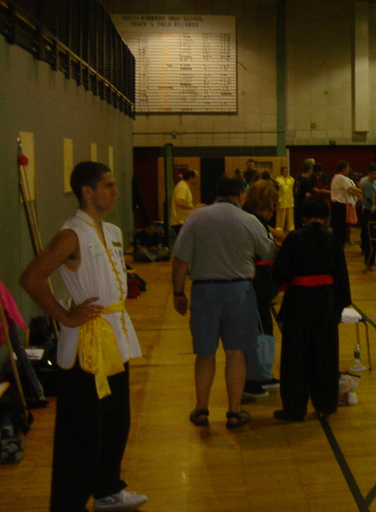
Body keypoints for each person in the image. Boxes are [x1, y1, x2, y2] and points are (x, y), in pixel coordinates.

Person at [20, 161, 147, 512]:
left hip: (116, 337)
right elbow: (31, 278)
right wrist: (65, 317)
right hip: (86, 347)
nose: (115, 192)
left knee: (117, 420)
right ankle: (69, 502)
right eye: (108, 186)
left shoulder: (113, 231)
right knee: (83, 431)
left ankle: (108, 488)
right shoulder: (70, 235)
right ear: (87, 191)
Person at [172, 175, 275, 430]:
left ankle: (202, 409)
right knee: (236, 353)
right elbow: (269, 253)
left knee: (205, 353)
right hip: (239, 292)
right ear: (240, 196)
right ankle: (234, 411)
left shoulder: (196, 218)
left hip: (204, 292)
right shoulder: (248, 219)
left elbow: (180, 259)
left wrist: (178, 292)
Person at [272, 198, 351, 421]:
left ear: (303, 217)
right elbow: (341, 276)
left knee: (295, 357)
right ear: (325, 217)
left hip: (298, 302)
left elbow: (280, 272)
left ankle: (294, 409)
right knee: (325, 356)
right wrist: (339, 304)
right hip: (325, 302)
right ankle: (326, 404)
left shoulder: (294, 239)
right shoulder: (333, 239)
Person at [241, 179, 282, 397]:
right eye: (271, 206)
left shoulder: (258, 221)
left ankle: (263, 373)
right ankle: (252, 379)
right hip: (253, 283)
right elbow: (266, 250)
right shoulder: (252, 221)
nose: (274, 210)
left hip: (262, 285)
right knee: (256, 332)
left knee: (265, 330)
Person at [330, 160, 361, 245]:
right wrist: (363, 191)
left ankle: (338, 242)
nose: (349, 169)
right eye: (347, 168)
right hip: (339, 204)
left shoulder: (336, 177)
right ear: (343, 168)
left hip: (336, 204)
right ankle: (339, 243)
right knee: (340, 226)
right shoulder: (341, 178)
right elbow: (351, 188)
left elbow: (349, 190)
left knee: (338, 226)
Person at [360, 163, 376, 265]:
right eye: (373, 174)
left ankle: (372, 262)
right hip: (369, 212)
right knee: (369, 238)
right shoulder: (367, 184)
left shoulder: (373, 183)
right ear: (368, 173)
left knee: (374, 238)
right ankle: (369, 263)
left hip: (373, 212)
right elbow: (374, 200)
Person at [169, 169, 202, 237]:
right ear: (191, 177)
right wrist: (193, 208)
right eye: (197, 177)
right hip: (180, 222)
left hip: (182, 221)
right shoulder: (183, 187)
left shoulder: (183, 186)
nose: (198, 179)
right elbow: (179, 202)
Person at [293, 162, 314, 230]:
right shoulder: (306, 181)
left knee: (297, 225)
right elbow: (307, 195)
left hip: (296, 205)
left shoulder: (297, 179)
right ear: (308, 171)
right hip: (303, 206)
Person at [275, 166, 295, 233]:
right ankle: (280, 227)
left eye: (287, 171)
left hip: (289, 199)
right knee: (281, 215)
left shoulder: (291, 179)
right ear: (281, 172)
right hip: (282, 199)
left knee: (290, 215)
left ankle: (290, 227)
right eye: (285, 171)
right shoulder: (278, 179)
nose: (286, 172)